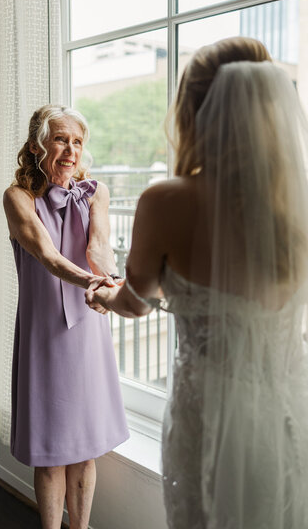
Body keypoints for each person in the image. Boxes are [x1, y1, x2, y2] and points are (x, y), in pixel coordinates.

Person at [86, 36, 308, 528]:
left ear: (194, 111)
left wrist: (103, 293)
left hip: (207, 415)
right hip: (290, 410)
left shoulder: (167, 201)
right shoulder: (295, 206)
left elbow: (138, 300)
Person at [3, 104, 129, 529]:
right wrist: (91, 283)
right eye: (60, 139)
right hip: (44, 335)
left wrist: (108, 279)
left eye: (77, 142)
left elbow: (98, 248)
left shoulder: (97, 192)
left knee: (85, 447)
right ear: (39, 145)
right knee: (51, 450)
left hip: (87, 332)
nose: (70, 150)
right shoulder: (17, 196)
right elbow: (47, 255)